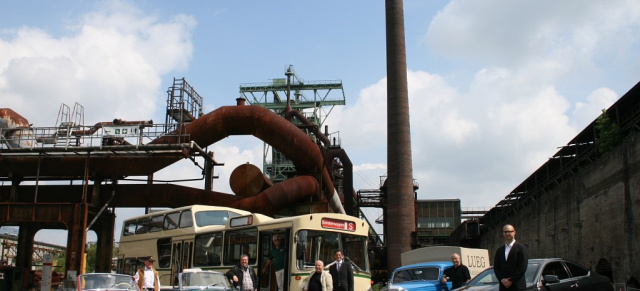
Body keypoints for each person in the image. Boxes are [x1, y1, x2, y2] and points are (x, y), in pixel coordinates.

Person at [494, 224, 528, 290]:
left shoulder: (521, 248)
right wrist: (502, 280)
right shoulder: (499, 250)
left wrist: (511, 280)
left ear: (514, 232)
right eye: (505, 232)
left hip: (517, 286)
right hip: (504, 287)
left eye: (509, 231)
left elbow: (522, 267)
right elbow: (496, 267)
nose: (507, 234)